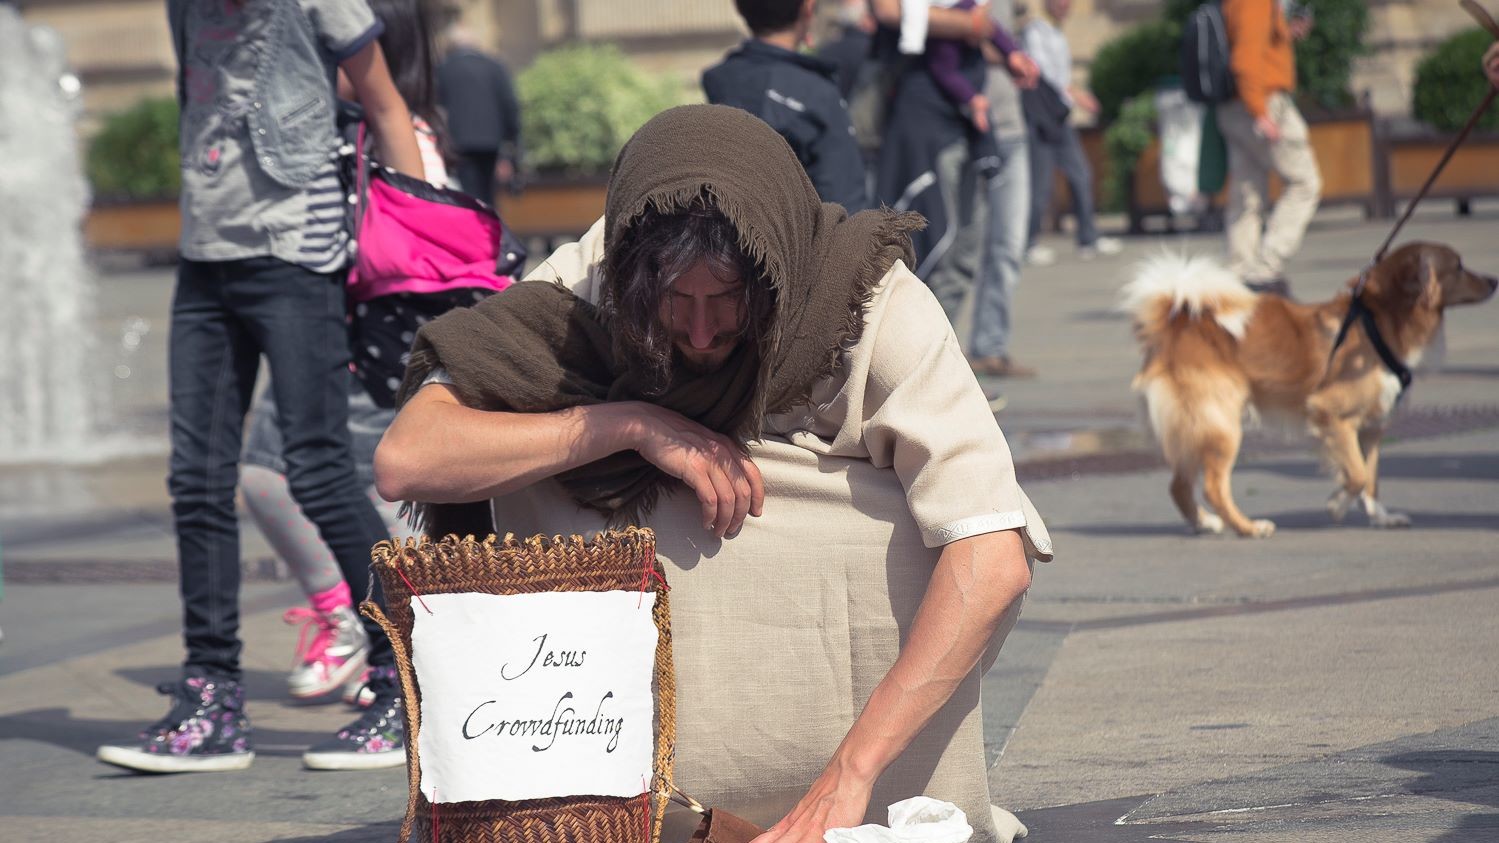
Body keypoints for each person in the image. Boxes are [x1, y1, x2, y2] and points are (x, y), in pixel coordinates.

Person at [375, 105, 1052, 843]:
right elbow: (408, 458)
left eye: (727, 300)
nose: (700, 333)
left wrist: (848, 775)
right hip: (591, 752)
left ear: (773, 273)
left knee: (922, 528)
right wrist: (633, 424)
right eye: (675, 302)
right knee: (536, 454)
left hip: (860, 774)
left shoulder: (871, 307)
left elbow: (992, 555)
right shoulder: (593, 284)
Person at [96, 0, 423, 775]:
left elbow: (382, 101)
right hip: (205, 256)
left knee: (313, 463)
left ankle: (400, 676)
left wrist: (417, 251)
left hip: (295, 254)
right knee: (196, 481)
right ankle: (213, 696)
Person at [240, 0, 449, 708]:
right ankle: (348, 617)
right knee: (267, 474)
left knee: (372, 495)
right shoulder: (335, 130)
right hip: (321, 334)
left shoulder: (405, 136)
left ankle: (400, 654)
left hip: (376, 347)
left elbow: (422, 247)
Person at [873, 0, 1034, 332]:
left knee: (964, 254)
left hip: (964, 130)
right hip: (927, 128)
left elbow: (986, 30)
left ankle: (940, 354)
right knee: (934, 247)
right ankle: (915, 352)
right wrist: (969, 24)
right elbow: (887, 12)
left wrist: (1007, 51)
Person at [703, 0, 869, 212]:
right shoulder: (817, 94)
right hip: (799, 238)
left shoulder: (720, 80)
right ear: (808, 8)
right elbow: (846, 203)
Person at [1216, 0, 1321, 294]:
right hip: (1262, 103)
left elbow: (1250, 44)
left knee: (1246, 192)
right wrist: (1259, 112)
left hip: (1235, 106)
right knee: (1304, 183)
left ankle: (1239, 272)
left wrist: (1284, 34)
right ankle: (1264, 268)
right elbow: (1245, 58)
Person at [1021, 0, 1121, 266]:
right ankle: (1028, 243)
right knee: (1040, 185)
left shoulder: (1057, 32)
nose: (1066, 5)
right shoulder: (1036, 31)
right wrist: (1077, 95)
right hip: (1042, 118)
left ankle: (1088, 238)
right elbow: (1044, 76)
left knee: (1081, 174)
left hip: (1061, 118)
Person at [968, 1, 1036, 380]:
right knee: (960, 251)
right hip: (969, 127)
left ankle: (989, 347)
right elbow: (960, 39)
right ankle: (926, 354)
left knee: (1008, 245)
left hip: (1013, 130)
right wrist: (1007, 50)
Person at [436, 22, 520, 204]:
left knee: (468, 197)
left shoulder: (443, 69)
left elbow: (436, 108)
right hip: (492, 143)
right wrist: (511, 143)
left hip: (458, 144)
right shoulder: (495, 66)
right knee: (491, 197)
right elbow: (509, 106)